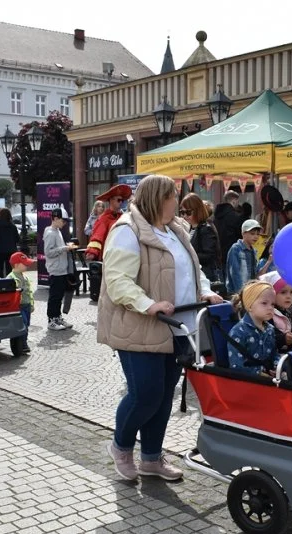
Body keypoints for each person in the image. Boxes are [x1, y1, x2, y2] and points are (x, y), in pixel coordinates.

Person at [98, 175, 221, 482]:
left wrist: (204, 290)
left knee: (164, 395)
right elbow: (118, 282)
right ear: (156, 198)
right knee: (145, 395)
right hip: (140, 326)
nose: (176, 203)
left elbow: (194, 270)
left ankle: (151, 458)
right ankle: (121, 447)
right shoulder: (127, 230)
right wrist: (148, 303)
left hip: (178, 325)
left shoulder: (176, 230)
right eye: (171, 197)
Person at [86, 184, 132, 301]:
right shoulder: (104, 218)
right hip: (109, 258)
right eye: (118, 200)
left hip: (124, 257)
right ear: (111, 200)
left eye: (122, 200)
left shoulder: (124, 217)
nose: (121, 202)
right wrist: (92, 251)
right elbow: (97, 236)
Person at [228, 280, 278, 374]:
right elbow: (236, 366)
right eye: (264, 303)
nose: (270, 307)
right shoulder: (238, 332)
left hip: (268, 376)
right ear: (249, 305)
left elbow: (274, 354)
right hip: (249, 381)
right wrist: (259, 373)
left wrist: (277, 367)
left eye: (273, 304)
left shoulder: (270, 329)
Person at [43, 210, 77, 331]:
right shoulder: (51, 232)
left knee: (58, 295)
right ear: (55, 218)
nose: (65, 223)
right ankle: (52, 320)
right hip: (56, 269)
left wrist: (65, 247)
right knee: (55, 296)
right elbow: (48, 252)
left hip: (60, 269)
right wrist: (65, 248)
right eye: (63, 221)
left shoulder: (56, 231)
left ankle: (57, 318)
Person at [261, 272, 292, 353]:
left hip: (290, 352)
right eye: (283, 292)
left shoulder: (291, 310)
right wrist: (283, 338)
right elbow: (267, 337)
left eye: (291, 292)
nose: (288, 296)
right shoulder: (268, 314)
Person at [185, 193, 221, 283]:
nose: (184, 216)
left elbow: (209, 255)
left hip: (205, 275)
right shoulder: (190, 228)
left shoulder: (206, 228)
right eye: (182, 212)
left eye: (188, 213)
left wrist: (188, 255)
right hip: (194, 273)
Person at [7, 251, 36, 353]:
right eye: (25, 264)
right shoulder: (11, 278)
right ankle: (21, 344)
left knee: (26, 325)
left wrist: (32, 304)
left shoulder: (24, 276)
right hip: (18, 306)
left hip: (26, 305)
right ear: (16, 265)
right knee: (21, 325)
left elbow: (29, 292)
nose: (27, 265)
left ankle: (24, 342)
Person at [226, 219, 262, 295]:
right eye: (252, 234)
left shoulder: (254, 251)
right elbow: (235, 273)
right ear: (243, 233)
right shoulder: (236, 249)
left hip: (250, 291)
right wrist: (241, 292)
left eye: (258, 234)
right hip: (237, 292)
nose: (256, 236)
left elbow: (255, 273)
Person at [213, 190, 245, 265]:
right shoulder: (235, 216)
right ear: (234, 201)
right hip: (232, 252)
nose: (238, 203)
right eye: (237, 201)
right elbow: (240, 235)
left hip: (218, 253)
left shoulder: (216, 216)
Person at [0, 207, 20, 278]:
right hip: (11, 250)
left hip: (0, 249)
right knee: (9, 268)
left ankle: (0, 283)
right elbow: (17, 239)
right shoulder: (13, 226)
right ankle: (9, 282)